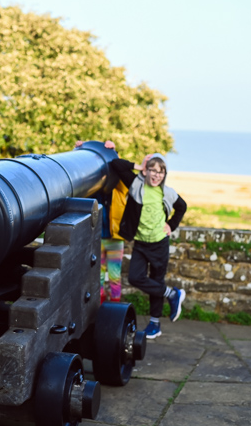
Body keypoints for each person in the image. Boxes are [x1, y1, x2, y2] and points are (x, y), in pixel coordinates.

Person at [106, 141, 187, 339]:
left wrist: (171, 225)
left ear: (164, 174)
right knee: (135, 277)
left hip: (159, 243)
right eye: (152, 170)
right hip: (141, 244)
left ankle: (155, 324)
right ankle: (172, 294)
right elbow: (116, 165)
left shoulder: (167, 192)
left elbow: (182, 206)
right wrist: (137, 166)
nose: (156, 175)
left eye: (160, 172)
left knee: (156, 281)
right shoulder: (134, 184)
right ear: (146, 171)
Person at [75, 140, 127, 303]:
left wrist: (114, 154)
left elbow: (123, 171)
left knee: (114, 276)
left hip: (114, 240)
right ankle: (100, 307)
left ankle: (115, 307)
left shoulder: (119, 189)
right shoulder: (92, 190)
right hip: (97, 239)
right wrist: (79, 150)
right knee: (98, 277)